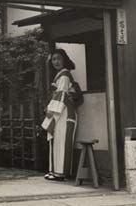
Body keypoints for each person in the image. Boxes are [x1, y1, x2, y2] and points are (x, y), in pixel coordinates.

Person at [41, 48, 83, 181]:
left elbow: (61, 94)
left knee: (62, 143)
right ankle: (54, 170)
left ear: (64, 60)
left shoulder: (64, 76)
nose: (56, 61)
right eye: (53, 59)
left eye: (59, 58)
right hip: (60, 111)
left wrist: (50, 110)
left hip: (65, 113)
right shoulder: (60, 75)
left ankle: (61, 173)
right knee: (57, 140)